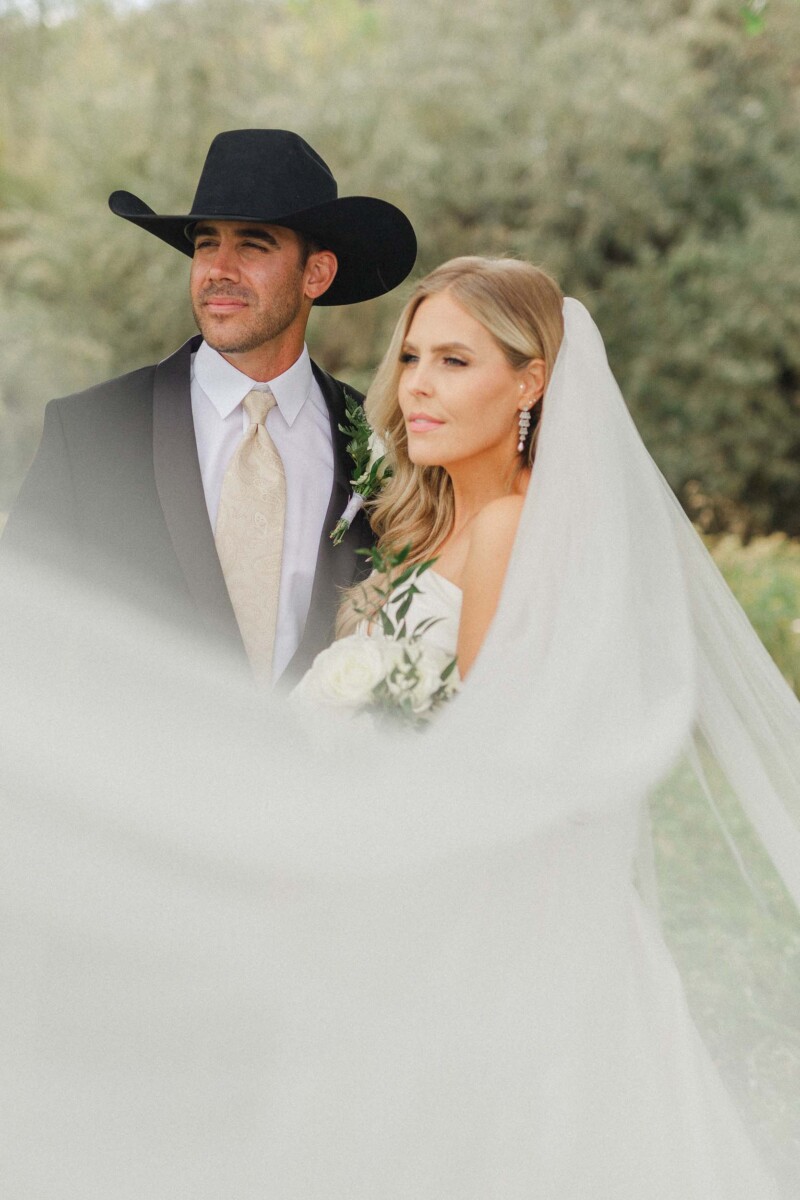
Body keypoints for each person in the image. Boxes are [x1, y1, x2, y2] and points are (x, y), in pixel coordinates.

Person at [2, 259, 799, 1200]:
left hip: (489, 941)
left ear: (531, 382)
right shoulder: (425, 534)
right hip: (408, 925)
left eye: (455, 361)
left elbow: (495, 762)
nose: (416, 383)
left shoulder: (509, 531)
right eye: (411, 355)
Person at [0, 128, 416, 684]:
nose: (219, 268)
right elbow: (19, 641)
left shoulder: (383, 444)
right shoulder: (90, 432)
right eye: (205, 244)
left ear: (316, 273)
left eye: (252, 244)